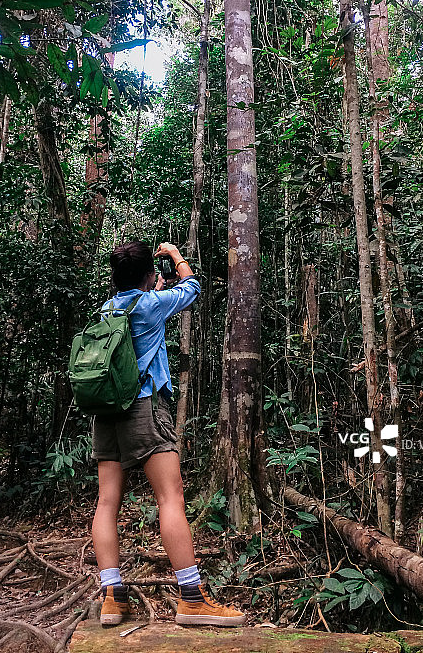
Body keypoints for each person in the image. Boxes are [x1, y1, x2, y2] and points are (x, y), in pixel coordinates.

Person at [91, 240, 245, 628]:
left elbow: (140, 312)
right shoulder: (151, 305)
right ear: (147, 275)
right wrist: (176, 256)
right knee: (170, 496)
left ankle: (112, 598)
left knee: (107, 502)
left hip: (105, 413)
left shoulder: (108, 309)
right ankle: (192, 599)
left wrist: (152, 289)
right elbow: (192, 289)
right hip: (142, 407)